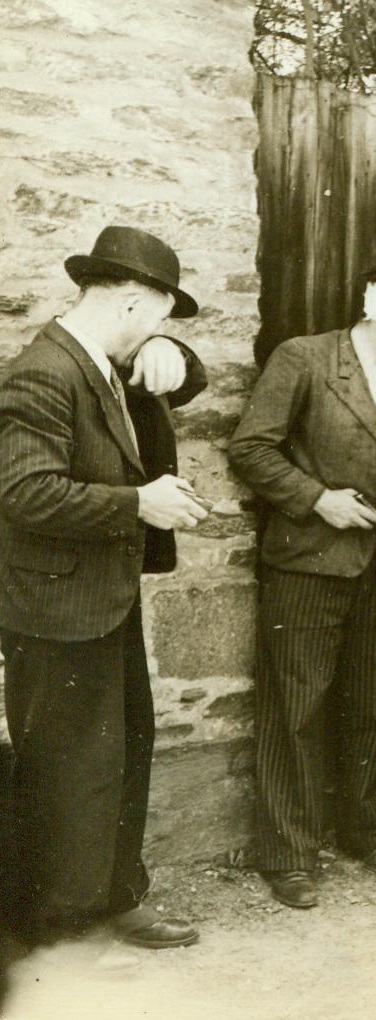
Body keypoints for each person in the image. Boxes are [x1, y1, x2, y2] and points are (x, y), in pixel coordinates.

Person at [0, 225, 209, 951]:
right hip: (55, 609)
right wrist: (138, 503)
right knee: (65, 769)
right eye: (156, 318)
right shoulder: (44, 373)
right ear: (127, 302)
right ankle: (55, 928)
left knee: (122, 753)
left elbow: (187, 378)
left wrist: (169, 347)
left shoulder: (102, 362)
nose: (154, 334)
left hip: (102, 599)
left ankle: (117, 898)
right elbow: (25, 493)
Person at [227, 260, 376, 907]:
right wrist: (319, 499)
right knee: (296, 709)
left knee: (375, 704)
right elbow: (251, 449)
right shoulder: (305, 359)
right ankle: (288, 855)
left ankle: (363, 830)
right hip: (308, 564)